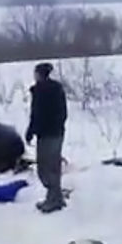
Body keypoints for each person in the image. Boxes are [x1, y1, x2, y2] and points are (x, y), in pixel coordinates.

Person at [26, 62, 68, 213]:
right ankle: (56, 197)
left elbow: (36, 114)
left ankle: (53, 200)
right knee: (53, 166)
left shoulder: (40, 91)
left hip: (46, 134)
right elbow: (63, 112)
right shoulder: (57, 89)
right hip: (57, 132)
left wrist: (31, 131)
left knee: (45, 168)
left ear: (40, 74)